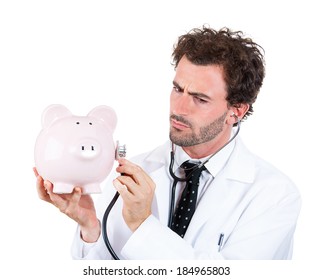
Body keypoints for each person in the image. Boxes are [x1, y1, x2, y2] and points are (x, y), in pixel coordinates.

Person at [34, 25, 301, 260]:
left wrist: (143, 224)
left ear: (237, 111)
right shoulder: (135, 170)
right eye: (177, 89)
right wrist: (90, 226)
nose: (180, 108)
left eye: (200, 98)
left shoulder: (274, 195)